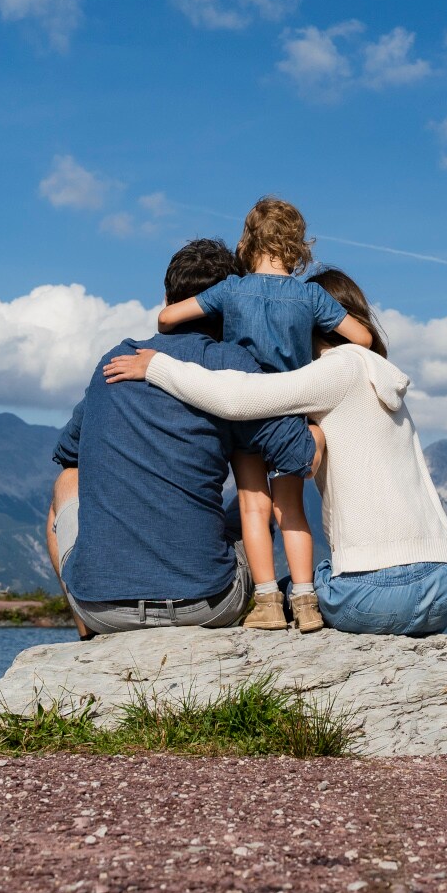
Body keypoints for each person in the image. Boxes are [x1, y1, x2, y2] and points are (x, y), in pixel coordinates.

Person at [106, 267, 447, 637]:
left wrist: (156, 366)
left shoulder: (337, 370)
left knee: (294, 586)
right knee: (305, 577)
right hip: (445, 587)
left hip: (372, 593)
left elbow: (237, 398)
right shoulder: (386, 380)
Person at [47, 238, 317, 638]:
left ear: (169, 299)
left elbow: (68, 453)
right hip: (208, 604)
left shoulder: (116, 361)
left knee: (67, 481)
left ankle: (86, 631)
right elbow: (299, 457)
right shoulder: (231, 364)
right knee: (253, 486)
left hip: (103, 608)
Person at [155, 197, 373, 634]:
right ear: (297, 249)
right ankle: (307, 603)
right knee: (290, 509)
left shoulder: (230, 290)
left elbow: (166, 318)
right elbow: (363, 338)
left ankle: (268, 603)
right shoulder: (310, 295)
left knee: (253, 507)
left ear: (247, 242)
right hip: (289, 412)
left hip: (244, 410)